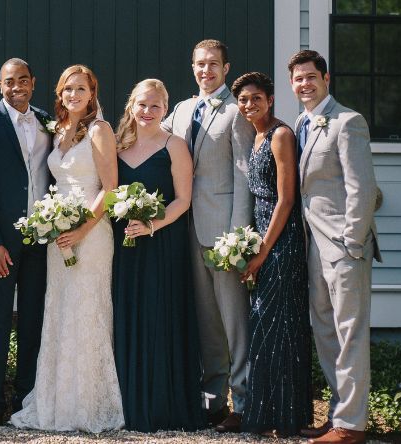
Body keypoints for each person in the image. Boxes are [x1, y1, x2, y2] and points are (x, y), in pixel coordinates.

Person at [8, 65, 124, 433]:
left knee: (87, 310)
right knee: (59, 311)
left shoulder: (100, 130)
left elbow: (110, 188)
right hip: (58, 237)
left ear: (92, 93)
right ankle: (57, 402)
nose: (73, 95)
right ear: (59, 94)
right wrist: (54, 224)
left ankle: (89, 405)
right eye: (67, 90)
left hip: (91, 235)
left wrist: (81, 229)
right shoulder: (57, 132)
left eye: (80, 89)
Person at [162, 38, 255, 432]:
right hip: (186, 230)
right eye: (200, 64)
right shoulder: (181, 110)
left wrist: (237, 238)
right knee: (206, 323)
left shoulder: (236, 113)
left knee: (234, 321)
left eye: (213, 64)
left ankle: (246, 403)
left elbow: (243, 174)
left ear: (226, 68)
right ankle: (213, 402)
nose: (206, 70)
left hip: (222, 232)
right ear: (192, 67)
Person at [289, 50, 381, 444]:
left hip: (345, 245)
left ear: (327, 79)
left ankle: (352, 425)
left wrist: (353, 242)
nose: (304, 84)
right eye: (298, 79)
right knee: (325, 331)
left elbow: (363, 188)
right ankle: (338, 416)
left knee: (350, 332)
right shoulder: (301, 123)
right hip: (314, 245)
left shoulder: (348, 122)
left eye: (311, 77)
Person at [110, 79, 205, 432]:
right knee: (127, 315)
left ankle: (164, 405)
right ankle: (128, 403)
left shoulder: (174, 146)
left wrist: (152, 224)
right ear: (130, 106)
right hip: (124, 246)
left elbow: (183, 199)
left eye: (155, 106)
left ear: (165, 110)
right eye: (142, 104)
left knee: (159, 314)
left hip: (163, 245)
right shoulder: (117, 147)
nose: (147, 112)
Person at [0, 58, 54, 428]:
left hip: (41, 240)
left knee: (33, 322)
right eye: (8, 82)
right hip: (1, 243)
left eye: (22, 81)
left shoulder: (49, 120)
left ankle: (25, 398)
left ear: (33, 82)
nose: (16, 87)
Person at [231, 72, 311, 437]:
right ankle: (274, 416)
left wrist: (262, 251)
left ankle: (279, 418)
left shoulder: (280, 135)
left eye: (256, 98)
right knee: (270, 328)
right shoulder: (255, 135)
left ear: (271, 99)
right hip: (263, 235)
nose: (249, 105)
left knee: (274, 328)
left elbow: (286, 199)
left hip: (282, 240)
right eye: (243, 100)